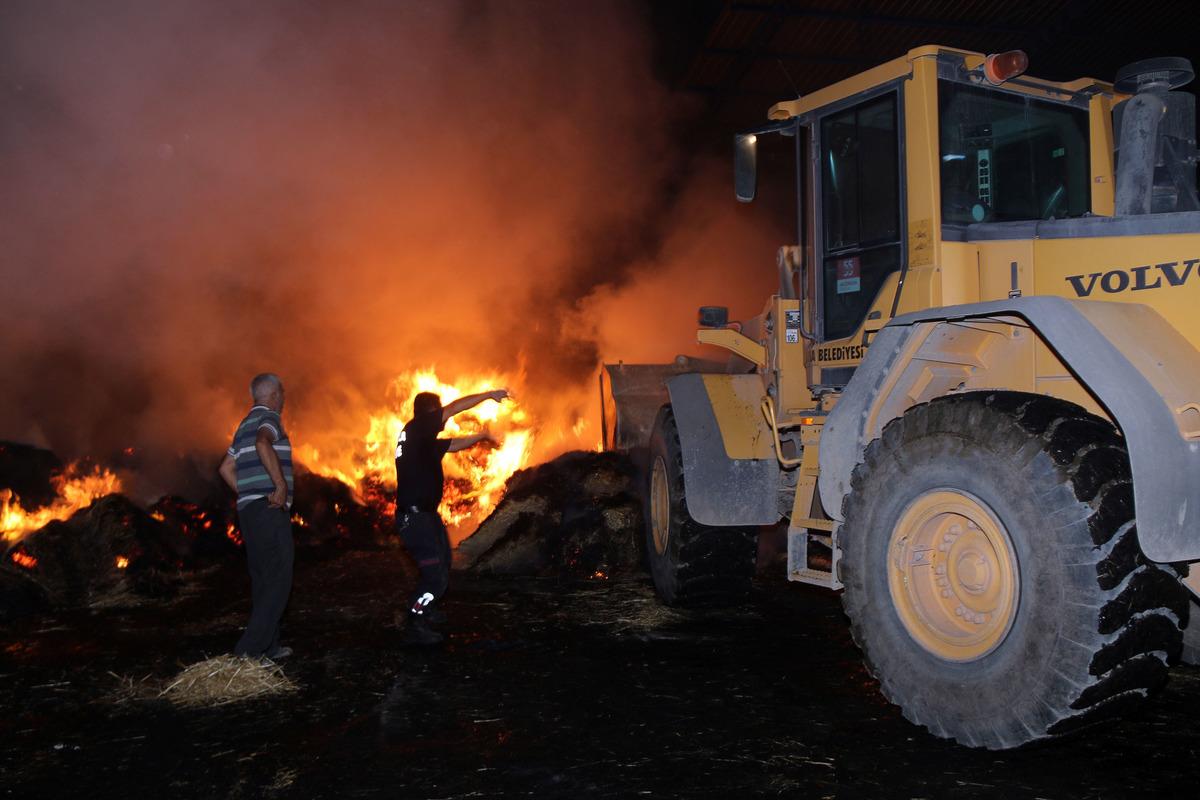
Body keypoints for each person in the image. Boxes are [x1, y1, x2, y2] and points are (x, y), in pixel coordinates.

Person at [396, 387, 508, 644]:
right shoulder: (418, 428)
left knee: (444, 563)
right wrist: (488, 395)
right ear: (430, 413)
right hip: (415, 519)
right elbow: (454, 408)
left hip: (426, 516)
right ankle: (414, 622)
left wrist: (483, 435)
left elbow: (454, 444)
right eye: (439, 413)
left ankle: (428, 610)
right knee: (435, 577)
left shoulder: (420, 441)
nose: (444, 420)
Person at [218, 372, 295, 661]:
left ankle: (269, 646)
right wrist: (279, 485)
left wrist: (248, 494)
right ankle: (248, 651)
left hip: (250, 512)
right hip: (269, 510)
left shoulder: (243, 426)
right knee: (279, 578)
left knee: (264, 579)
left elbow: (225, 468)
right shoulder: (269, 418)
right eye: (282, 394)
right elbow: (264, 443)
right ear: (275, 395)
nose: (283, 400)